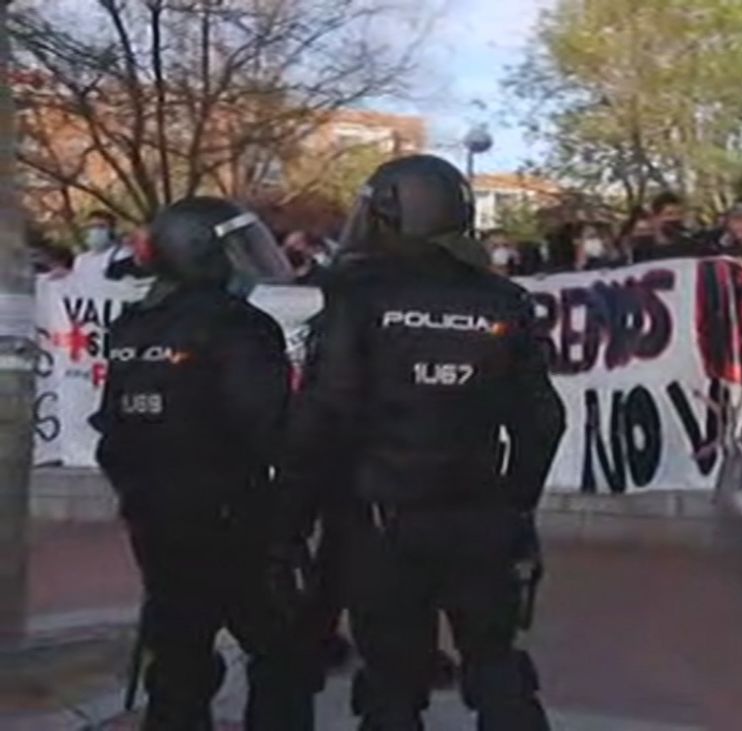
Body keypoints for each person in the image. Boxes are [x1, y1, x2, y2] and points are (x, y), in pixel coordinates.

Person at [279, 154, 564, 730]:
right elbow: (542, 421)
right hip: (481, 512)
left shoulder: (357, 296)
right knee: (497, 667)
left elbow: (325, 412)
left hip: (384, 518)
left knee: (390, 683)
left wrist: (293, 512)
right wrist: (515, 503)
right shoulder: (502, 300)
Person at [91, 197, 315, 729]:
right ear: (202, 253)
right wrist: (289, 516)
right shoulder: (239, 327)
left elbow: (112, 434)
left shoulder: (132, 327)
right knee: (282, 653)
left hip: (156, 520)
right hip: (233, 520)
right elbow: (269, 429)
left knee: (178, 653)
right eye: (234, 249)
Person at [632, 192, 716, 262]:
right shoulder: (642, 252)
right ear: (656, 218)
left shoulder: (693, 247)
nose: (675, 218)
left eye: (679, 213)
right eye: (669, 214)